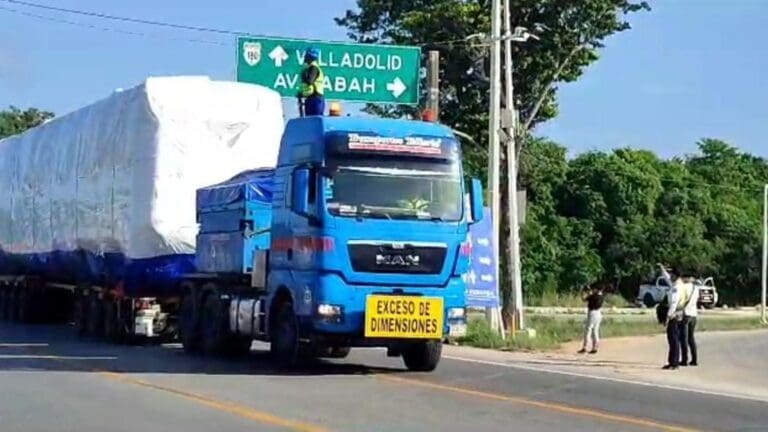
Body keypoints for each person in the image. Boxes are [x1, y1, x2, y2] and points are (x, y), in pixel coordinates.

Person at [658, 264, 694, 370]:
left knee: (673, 339)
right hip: (679, 313)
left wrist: (668, 316)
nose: (670, 276)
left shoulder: (676, 288)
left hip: (674, 314)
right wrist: (662, 269)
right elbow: (667, 278)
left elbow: (674, 303)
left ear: (675, 275)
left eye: (671, 274)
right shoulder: (679, 284)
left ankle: (674, 363)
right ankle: (672, 361)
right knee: (674, 339)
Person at [298, 47, 325, 116]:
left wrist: (303, 74)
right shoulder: (309, 68)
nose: (304, 57)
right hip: (310, 98)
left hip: (315, 99)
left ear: (310, 57)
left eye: (306, 56)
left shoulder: (314, 68)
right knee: (309, 120)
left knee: (314, 119)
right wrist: (301, 94)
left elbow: (310, 81)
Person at [578, 285, 604, 354]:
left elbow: (584, 299)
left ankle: (585, 347)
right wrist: (590, 293)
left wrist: (582, 292)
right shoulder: (601, 296)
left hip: (592, 313)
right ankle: (595, 347)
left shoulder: (594, 296)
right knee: (595, 331)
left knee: (588, 329)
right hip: (599, 313)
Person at [680, 277, 700, 366]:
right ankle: (694, 359)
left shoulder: (683, 287)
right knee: (691, 338)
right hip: (694, 314)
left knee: (684, 338)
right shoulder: (695, 288)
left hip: (686, 313)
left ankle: (684, 359)